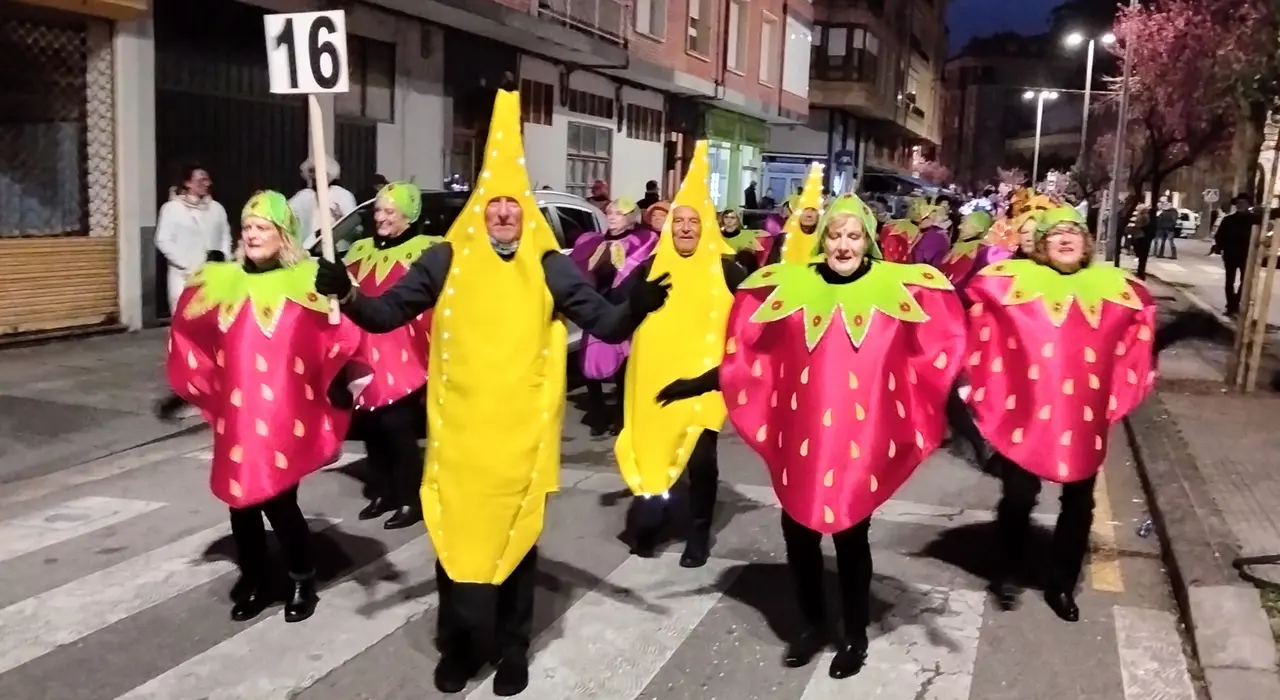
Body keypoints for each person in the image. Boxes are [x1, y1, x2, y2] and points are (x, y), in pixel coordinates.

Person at [312, 89, 672, 697]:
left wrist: (635, 304)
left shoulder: (549, 265)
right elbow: (383, 314)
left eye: (513, 204)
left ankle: (512, 650)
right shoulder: (444, 261)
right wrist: (344, 292)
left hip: (519, 442)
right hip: (458, 442)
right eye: (494, 203)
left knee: (515, 545)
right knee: (456, 545)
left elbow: (607, 325)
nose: (503, 213)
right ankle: (458, 648)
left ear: (525, 211)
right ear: (480, 208)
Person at [655, 192, 966, 678]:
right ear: (823, 240)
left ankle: (854, 635)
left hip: (857, 446)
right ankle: (812, 624)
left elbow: (928, 360)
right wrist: (699, 383)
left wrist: (967, 415)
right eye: (836, 235)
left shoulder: (894, 294)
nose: (844, 245)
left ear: (868, 241)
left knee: (850, 538)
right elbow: (757, 357)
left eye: (854, 236)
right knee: (798, 534)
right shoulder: (794, 291)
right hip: (801, 444)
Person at [165, 191, 361, 624]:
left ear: (283, 236)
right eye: (248, 227)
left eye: (262, 228)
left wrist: (338, 380)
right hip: (237, 414)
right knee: (241, 503)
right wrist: (188, 389)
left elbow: (338, 333)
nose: (252, 235)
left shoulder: (307, 283)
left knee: (279, 500)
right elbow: (195, 334)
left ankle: (301, 579)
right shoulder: (222, 282)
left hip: (283, 416)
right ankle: (255, 577)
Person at [963, 206, 1157, 622]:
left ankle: (1061, 584)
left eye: (1074, 232)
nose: (1066, 239)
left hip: (1083, 415)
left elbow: (1138, 327)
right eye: (1056, 233)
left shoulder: (1114, 288)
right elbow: (974, 313)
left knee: (1079, 502)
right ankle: (1008, 567)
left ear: (1086, 243)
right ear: (1041, 244)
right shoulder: (1010, 283)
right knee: (1019, 495)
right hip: (1023, 413)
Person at [611, 141, 747, 567]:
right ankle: (652, 521)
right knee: (653, 451)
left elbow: (756, 314)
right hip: (654, 380)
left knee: (701, 460)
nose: (686, 229)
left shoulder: (726, 269)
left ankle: (699, 534)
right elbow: (614, 312)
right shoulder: (649, 266)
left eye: (694, 222)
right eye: (679, 222)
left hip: (703, 384)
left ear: (706, 228)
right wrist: (635, 300)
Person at [342, 181, 441, 529]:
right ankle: (382, 490)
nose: (380, 217)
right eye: (378, 210)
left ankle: (409, 498)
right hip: (364, 353)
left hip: (406, 354)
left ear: (408, 217)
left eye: (389, 211)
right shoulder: (359, 251)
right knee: (371, 426)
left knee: (397, 427)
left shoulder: (427, 251)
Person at [568, 198, 658, 435]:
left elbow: (642, 272)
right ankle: (598, 414)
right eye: (609, 213)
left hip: (623, 309)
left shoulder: (643, 241)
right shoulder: (591, 242)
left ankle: (621, 415)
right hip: (597, 307)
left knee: (623, 367)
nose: (612, 217)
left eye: (618, 214)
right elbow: (579, 270)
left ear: (631, 219)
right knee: (590, 361)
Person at [155, 163, 232, 314]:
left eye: (207, 180)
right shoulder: (172, 209)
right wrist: (187, 265)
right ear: (187, 183)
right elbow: (162, 240)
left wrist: (224, 260)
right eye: (201, 180)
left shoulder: (217, 208)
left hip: (213, 276)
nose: (207, 184)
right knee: (183, 317)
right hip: (184, 277)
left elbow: (225, 236)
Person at [289, 156, 359, 255]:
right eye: (311, 171)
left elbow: (356, 228)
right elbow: (287, 213)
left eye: (316, 171)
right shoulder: (303, 195)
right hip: (309, 250)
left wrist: (340, 217)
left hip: (339, 251)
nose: (313, 175)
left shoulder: (342, 195)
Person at [1213, 194, 1258, 316]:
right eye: (1238, 203)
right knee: (1229, 281)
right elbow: (1219, 236)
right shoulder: (1228, 220)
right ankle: (1230, 305)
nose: (1240, 205)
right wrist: (1221, 248)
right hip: (1230, 255)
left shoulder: (1255, 220)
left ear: (1248, 205)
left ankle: (1236, 302)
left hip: (1247, 255)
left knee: (1245, 281)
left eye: (1243, 203)